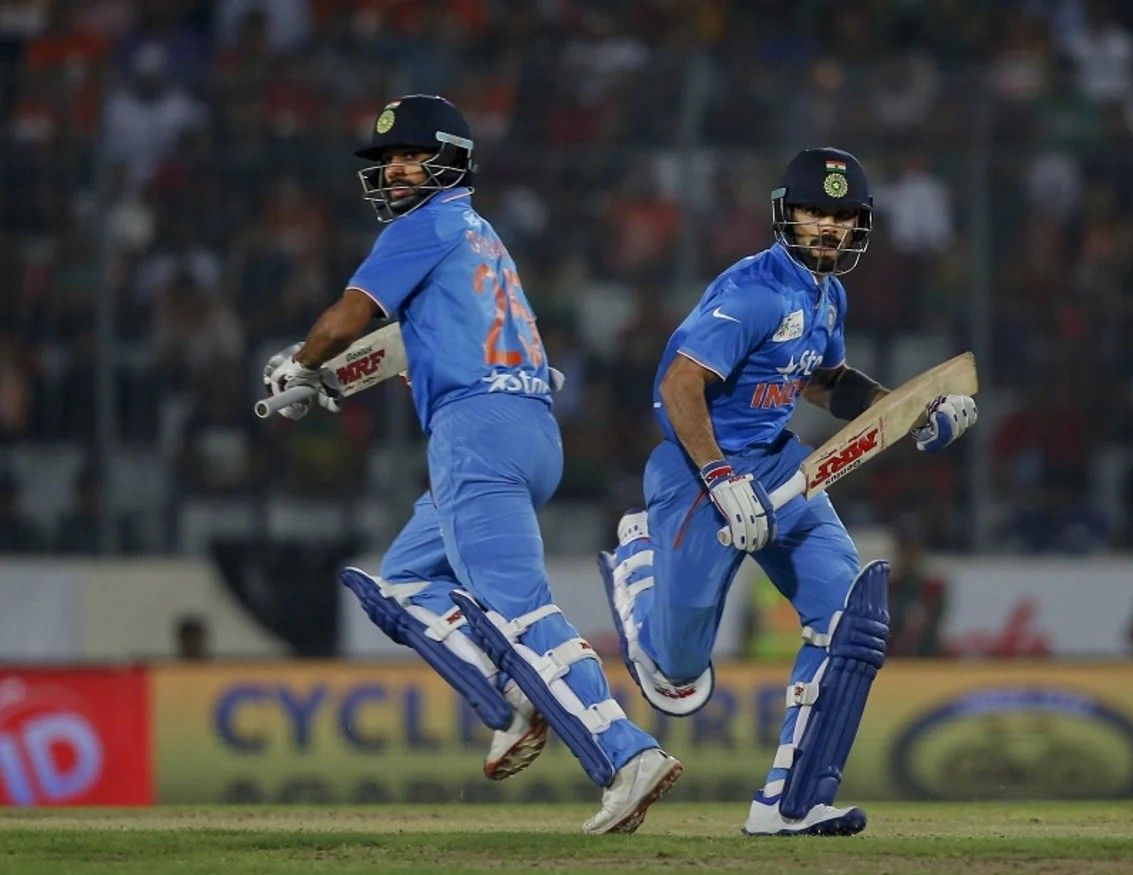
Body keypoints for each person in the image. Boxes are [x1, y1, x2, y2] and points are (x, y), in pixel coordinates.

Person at [259, 94, 680, 833]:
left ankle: (625, 752)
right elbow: (423, 345)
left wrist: (300, 361)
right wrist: (329, 373)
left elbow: (346, 319)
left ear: (449, 160)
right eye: (387, 158)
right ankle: (516, 696)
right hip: (530, 425)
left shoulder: (421, 225)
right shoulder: (482, 236)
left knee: (520, 609)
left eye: (410, 154)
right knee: (405, 585)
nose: (394, 169)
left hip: (474, 432)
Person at [598, 148, 977, 835]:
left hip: (779, 466)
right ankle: (637, 562)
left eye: (842, 215)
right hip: (696, 473)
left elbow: (826, 384)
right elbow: (679, 386)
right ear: (786, 215)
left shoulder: (829, 294)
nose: (829, 227)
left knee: (849, 623)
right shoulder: (752, 291)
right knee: (677, 675)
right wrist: (718, 477)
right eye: (815, 212)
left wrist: (915, 408)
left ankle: (789, 804)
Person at [886, 516, 948, 658]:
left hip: (926, 659)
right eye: (904, 551)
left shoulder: (933, 589)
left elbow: (933, 625)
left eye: (913, 551)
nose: (908, 556)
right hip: (893, 660)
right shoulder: (888, 588)